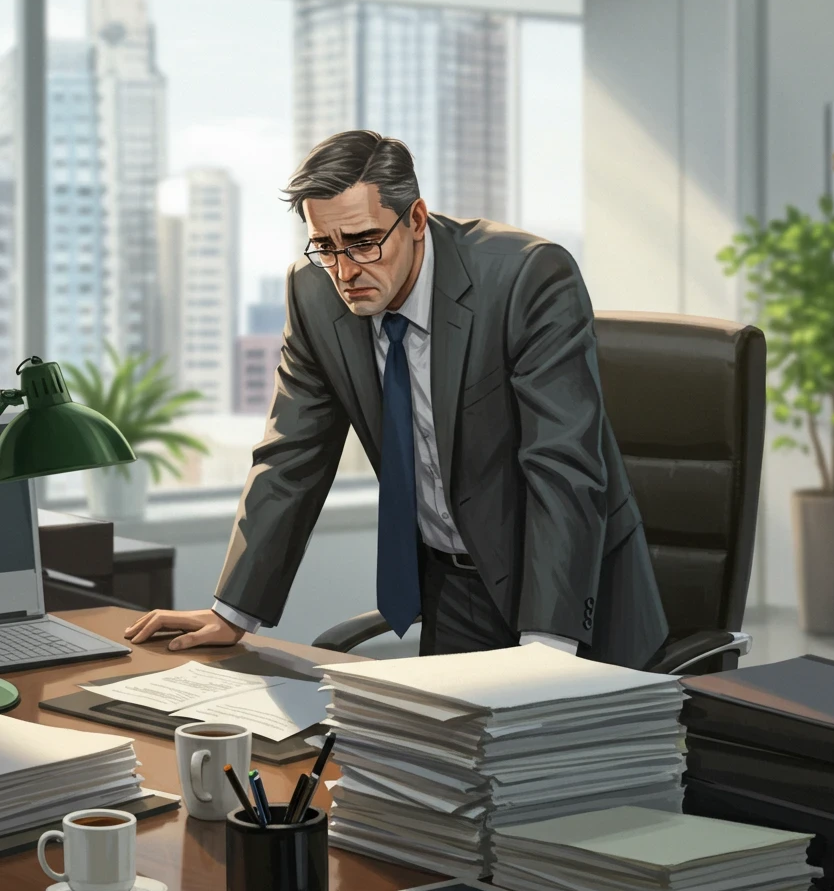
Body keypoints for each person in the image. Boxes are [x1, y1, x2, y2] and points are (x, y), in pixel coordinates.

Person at [126, 130, 668, 667]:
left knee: (564, 751)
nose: (344, 271)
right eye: (325, 247)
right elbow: (292, 456)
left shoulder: (527, 278)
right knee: (437, 752)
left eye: (363, 242)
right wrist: (232, 612)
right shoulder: (313, 295)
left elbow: (562, 465)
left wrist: (547, 646)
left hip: (568, 596)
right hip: (453, 590)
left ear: (415, 219)